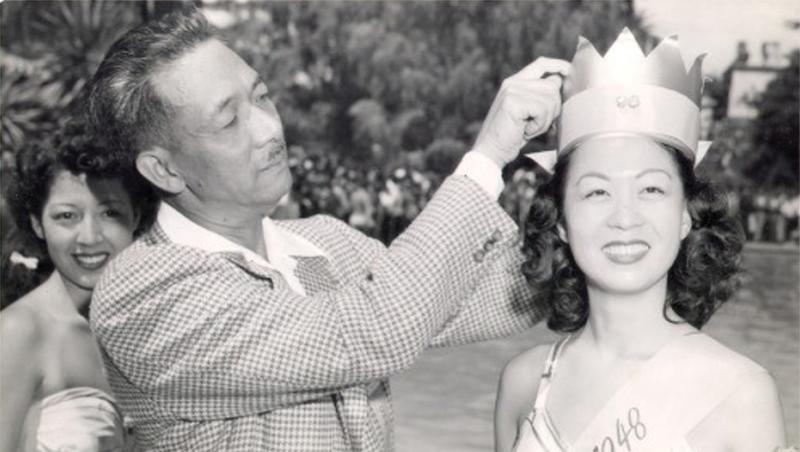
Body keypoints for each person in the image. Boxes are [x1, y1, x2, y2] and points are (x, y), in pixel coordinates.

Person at [85, 7, 569, 451]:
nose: (269, 129)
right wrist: (488, 157)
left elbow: (487, 299)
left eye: (262, 97)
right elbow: (376, 331)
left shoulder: (323, 243)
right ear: (164, 170)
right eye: (231, 120)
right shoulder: (142, 294)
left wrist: (598, 199)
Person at [494, 29, 787, 452]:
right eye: (597, 192)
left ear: (686, 215)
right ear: (560, 221)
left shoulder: (743, 394)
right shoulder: (523, 383)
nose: (625, 218)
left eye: (651, 190)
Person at [0, 123, 157, 451]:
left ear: (136, 216)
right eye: (67, 216)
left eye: (110, 213)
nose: (89, 237)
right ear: (36, 224)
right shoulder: (19, 332)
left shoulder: (143, 332)